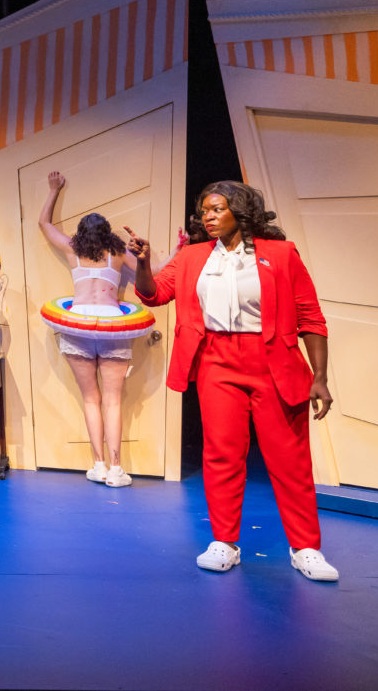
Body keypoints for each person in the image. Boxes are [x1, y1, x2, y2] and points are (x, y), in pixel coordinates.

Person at [130, 181, 339, 581]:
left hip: (273, 361)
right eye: (204, 210)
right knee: (221, 455)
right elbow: (154, 294)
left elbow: (311, 317)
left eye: (216, 209)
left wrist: (321, 377)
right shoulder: (192, 256)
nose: (207, 216)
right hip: (217, 361)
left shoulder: (281, 253)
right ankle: (224, 542)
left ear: (240, 211)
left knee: (290, 459)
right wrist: (143, 263)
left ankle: (306, 548)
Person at [38, 171, 146, 488]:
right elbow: (154, 269)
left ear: (82, 233)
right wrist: (178, 251)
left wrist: (53, 190)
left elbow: (44, 224)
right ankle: (116, 469)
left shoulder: (73, 248)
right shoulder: (118, 253)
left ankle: (98, 466)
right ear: (107, 233)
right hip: (113, 325)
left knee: (90, 399)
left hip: (79, 325)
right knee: (113, 401)